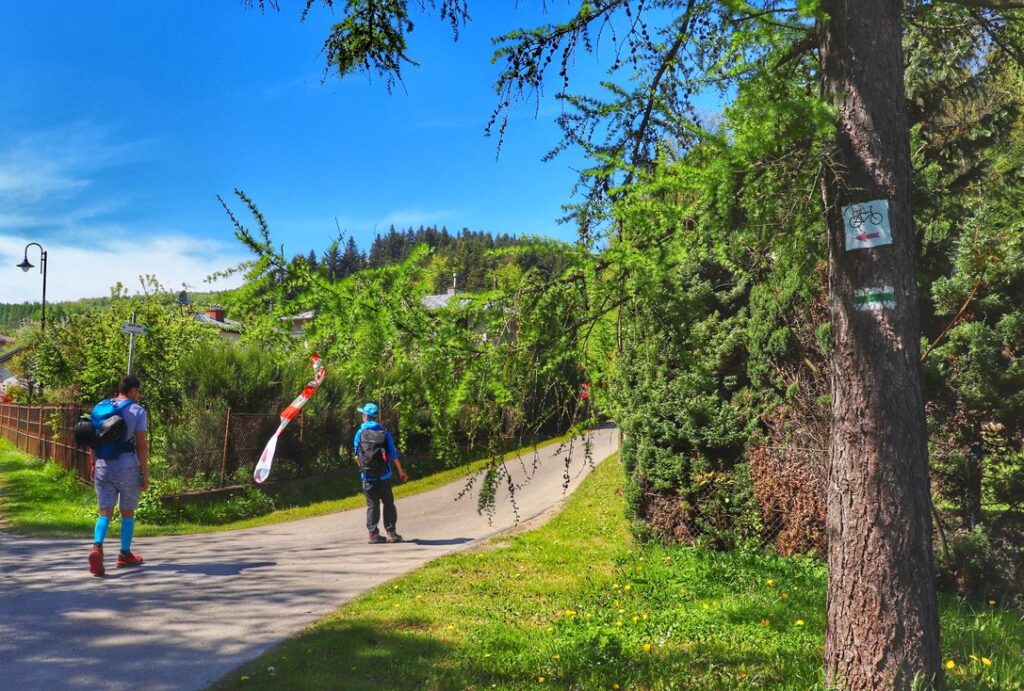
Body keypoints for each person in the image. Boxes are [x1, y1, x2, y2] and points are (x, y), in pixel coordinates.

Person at [88, 374, 149, 576]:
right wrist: (144, 473)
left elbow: (94, 439)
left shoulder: (100, 407)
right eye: (138, 391)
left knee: (105, 511)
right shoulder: (136, 410)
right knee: (127, 512)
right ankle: (124, 554)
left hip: (102, 465)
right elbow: (141, 445)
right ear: (133, 390)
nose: (138, 394)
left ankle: (97, 547)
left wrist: (92, 463)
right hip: (127, 466)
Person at [353, 402, 408, 544]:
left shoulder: (360, 433)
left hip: (368, 476)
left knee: (372, 504)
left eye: (363, 414)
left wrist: (363, 470)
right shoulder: (384, 432)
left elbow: (357, 456)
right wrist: (401, 471)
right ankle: (391, 533)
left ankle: (373, 534)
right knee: (388, 502)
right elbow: (393, 454)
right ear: (376, 417)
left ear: (365, 416)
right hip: (384, 475)